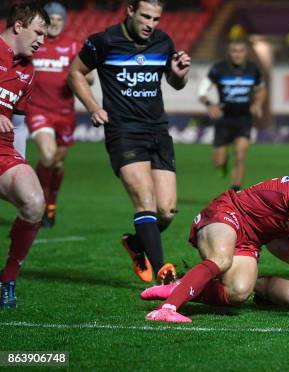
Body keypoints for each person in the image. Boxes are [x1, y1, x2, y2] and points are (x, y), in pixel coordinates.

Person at [142, 163, 289, 323]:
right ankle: (167, 308)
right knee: (221, 260)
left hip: (253, 239)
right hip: (229, 212)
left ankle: (181, 286)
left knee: (238, 293)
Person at [68, 0, 191, 283]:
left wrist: (180, 75)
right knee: (144, 201)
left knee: (167, 211)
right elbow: (75, 73)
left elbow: (174, 82)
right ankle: (165, 275)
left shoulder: (163, 42)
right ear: (130, 11)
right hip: (123, 131)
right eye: (146, 16)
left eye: (156, 19)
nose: (151, 24)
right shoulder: (104, 41)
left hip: (158, 131)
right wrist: (92, 106)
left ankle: (137, 243)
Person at [0, 3, 49, 308]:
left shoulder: (28, 72)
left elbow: (18, 124)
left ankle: (7, 279)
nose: (42, 40)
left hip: (3, 151)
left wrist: (21, 163)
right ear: (19, 26)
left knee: (34, 202)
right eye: (39, 32)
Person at [26, 2, 89, 228]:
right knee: (49, 154)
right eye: (50, 18)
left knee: (58, 163)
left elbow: (88, 76)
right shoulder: (34, 43)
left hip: (64, 113)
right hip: (37, 110)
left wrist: (85, 76)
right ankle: (37, 201)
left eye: (59, 19)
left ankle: (51, 202)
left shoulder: (73, 47)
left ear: (64, 21)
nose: (54, 22)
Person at [198, 40, 266, 191]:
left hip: (244, 118)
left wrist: (257, 104)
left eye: (240, 51)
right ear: (229, 53)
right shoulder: (218, 69)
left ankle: (235, 190)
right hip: (224, 119)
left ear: (245, 52)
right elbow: (202, 91)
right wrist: (210, 104)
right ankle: (222, 164)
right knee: (219, 161)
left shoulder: (253, 69)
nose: (237, 54)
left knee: (240, 154)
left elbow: (261, 90)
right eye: (234, 51)